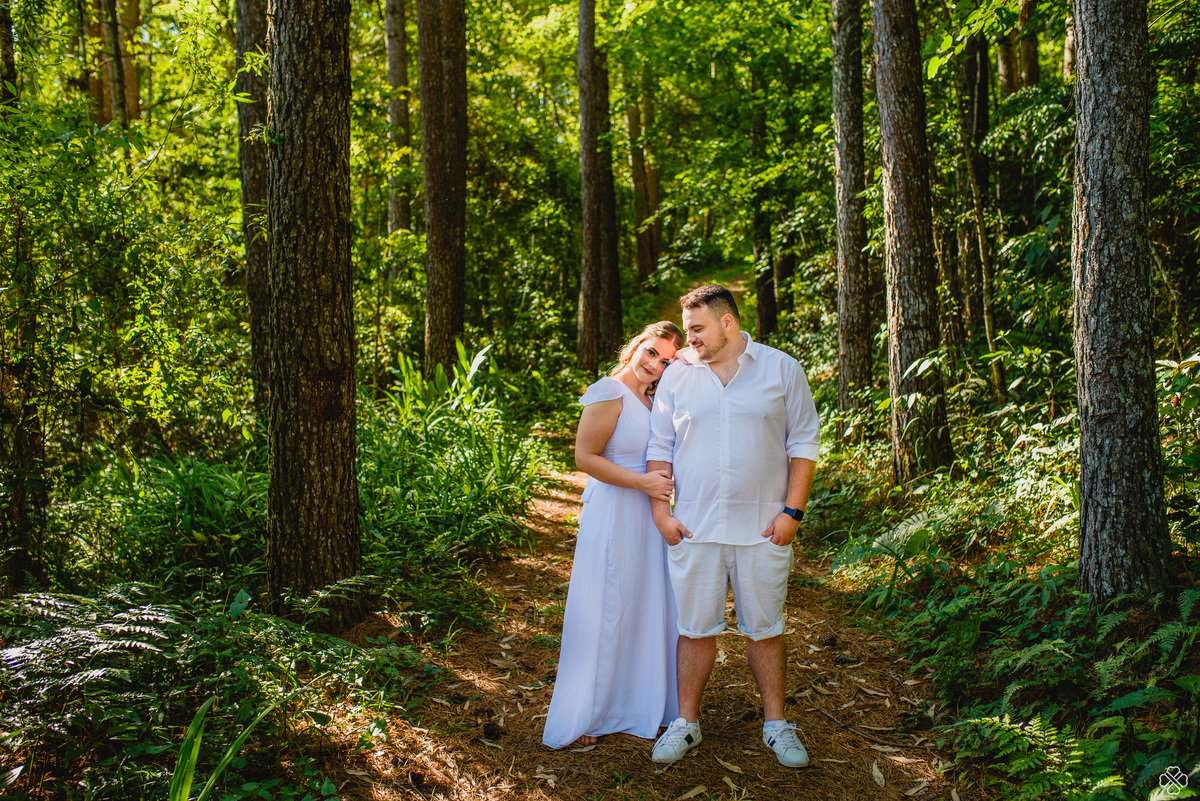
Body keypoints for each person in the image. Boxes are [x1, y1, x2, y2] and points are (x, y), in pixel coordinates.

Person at [645, 285, 820, 768]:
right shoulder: (679, 376)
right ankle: (686, 724)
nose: (689, 339)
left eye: (697, 328)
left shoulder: (781, 368)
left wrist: (793, 513)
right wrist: (663, 513)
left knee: (764, 628)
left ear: (728, 323)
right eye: (686, 329)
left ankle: (776, 725)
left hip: (764, 529)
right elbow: (660, 448)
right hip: (695, 528)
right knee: (694, 629)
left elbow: (804, 443)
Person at [542, 321, 685, 749]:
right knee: (607, 607)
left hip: (649, 517)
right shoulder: (609, 391)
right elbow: (584, 456)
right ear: (636, 346)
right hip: (615, 513)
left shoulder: (654, 400)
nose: (655, 364)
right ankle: (591, 709)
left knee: (646, 606)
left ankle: (645, 705)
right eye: (651, 352)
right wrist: (642, 483)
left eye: (665, 361)